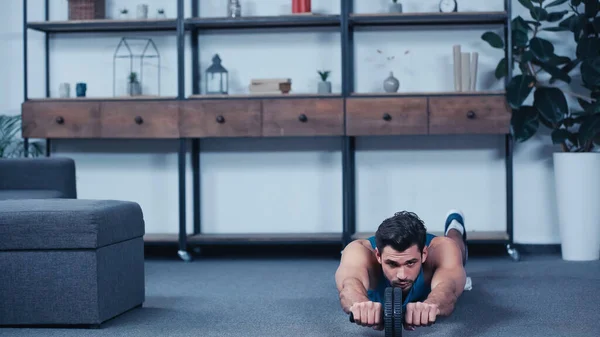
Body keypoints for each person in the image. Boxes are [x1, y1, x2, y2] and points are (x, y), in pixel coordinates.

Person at [335, 209, 469, 331]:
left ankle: (455, 226)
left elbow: (448, 289)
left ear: (424, 254)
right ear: (378, 256)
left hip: (442, 252)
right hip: (367, 259)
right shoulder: (359, 252)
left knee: (456, 249)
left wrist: (431, 305)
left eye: (410, 263)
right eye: (392, 264)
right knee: (350, 259)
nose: (402, 275)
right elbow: (349, 285)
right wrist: (360, 305)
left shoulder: (440, 250)